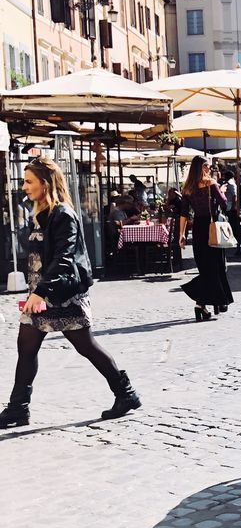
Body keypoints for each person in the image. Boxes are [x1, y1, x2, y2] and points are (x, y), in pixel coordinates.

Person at [0, 156, 141, 428]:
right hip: (39, 294)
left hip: (60, 294)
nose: (24, 186)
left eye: (29, 181)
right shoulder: (39, 213)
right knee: (26, 347)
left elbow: (64, 258)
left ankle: (126, 393)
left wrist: (41, 292)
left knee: (86, 345)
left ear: (45, 183)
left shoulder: (63, 214)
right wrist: (36, 292)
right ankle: (18, 409)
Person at [177, 155, 234, 320]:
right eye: (207, 166)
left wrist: (181, 234)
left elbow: (184, 214)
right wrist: (221, 191)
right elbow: (224, 204)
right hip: (212, 228)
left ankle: (202, 305)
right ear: (201, 168)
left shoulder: (187, 188)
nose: (209, 169)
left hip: (198, 228)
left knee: (205, 268)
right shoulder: (211, 183)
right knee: (216, 267)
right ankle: (202, 302)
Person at [220, 168, 241, 248]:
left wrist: (233, 206)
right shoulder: (229, 183)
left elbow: (234, 196)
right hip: (229, 205)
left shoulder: (230, 183)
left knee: (232, 222)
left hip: (230, 205)